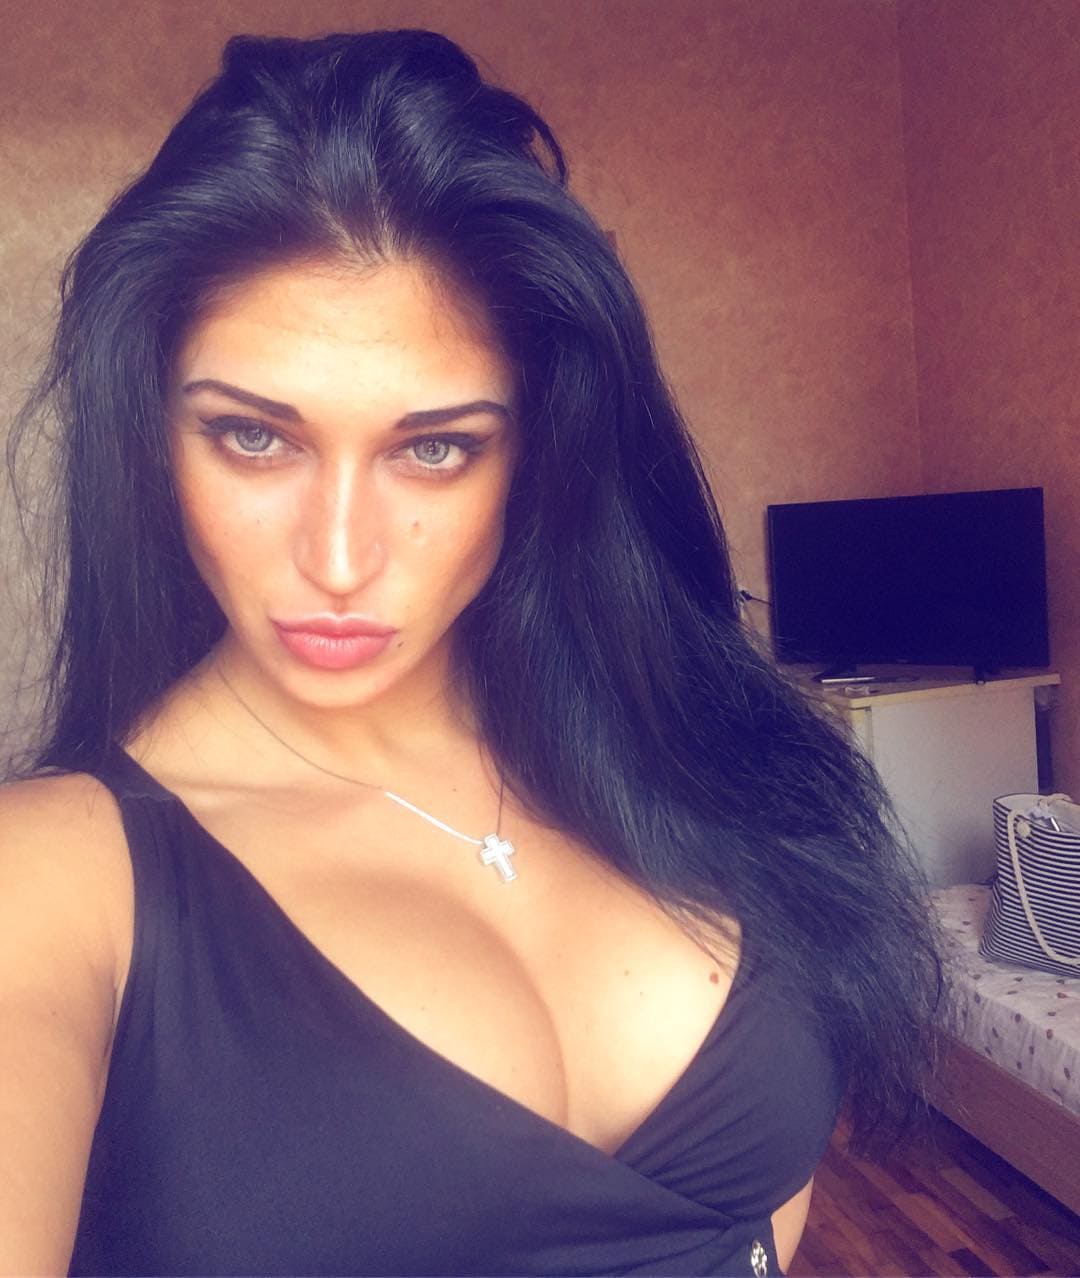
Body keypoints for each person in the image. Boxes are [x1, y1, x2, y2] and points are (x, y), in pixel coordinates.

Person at [1, 29, 952, 1278]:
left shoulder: (686, 749)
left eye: (434, 448)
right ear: (150, 437)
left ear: (539, 453)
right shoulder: (56, 885)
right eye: (254, 438)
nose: (340, 556)